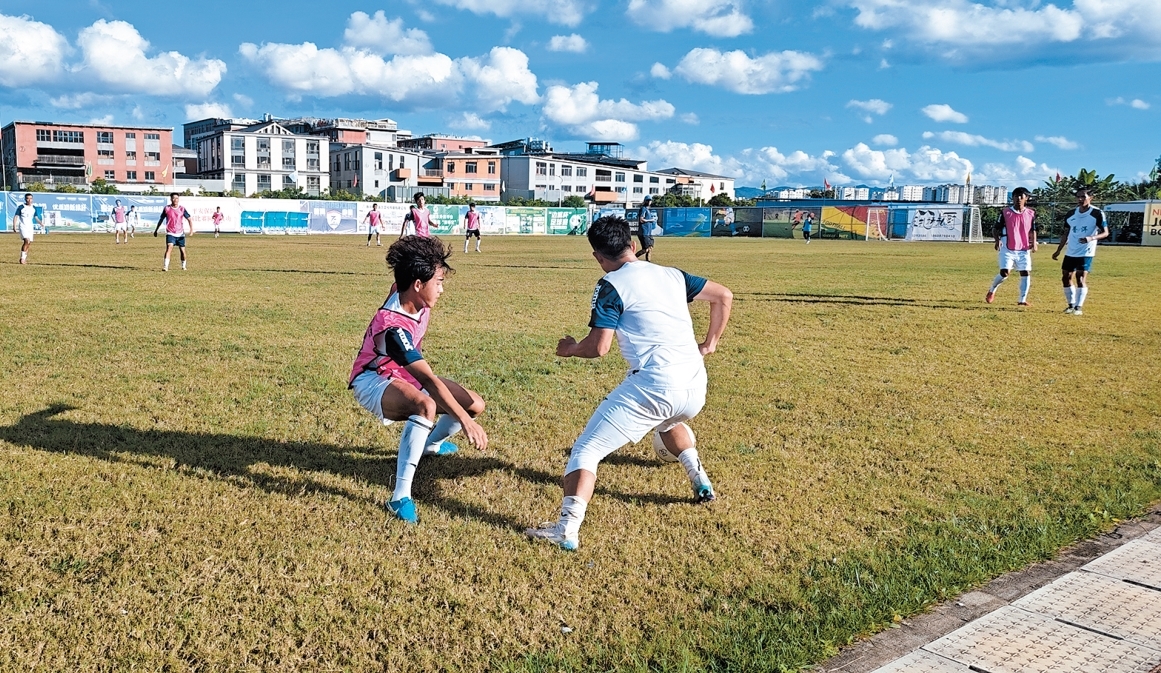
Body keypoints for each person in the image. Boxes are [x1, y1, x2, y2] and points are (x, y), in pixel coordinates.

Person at [525, 215, 734, 551]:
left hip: (655, 385)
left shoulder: (611, 285)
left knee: (587, 450)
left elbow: (599, 347)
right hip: (695, 385)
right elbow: (723, 295)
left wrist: (570, 349)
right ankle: (701, 481)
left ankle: (566, 530)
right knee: (668, 421)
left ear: (598, 257)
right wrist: (709, 344)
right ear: (633, 245)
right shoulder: (671, 274)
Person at [349, 235, 488, 524]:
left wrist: (468, 414)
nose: (442, 289)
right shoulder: (393, 328)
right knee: (426, 405)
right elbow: (429, 380)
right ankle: (399, 497)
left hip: (403, 373)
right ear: (417, 285)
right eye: (438, 282)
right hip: (373, 379)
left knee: (475, 404)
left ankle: (430, 445)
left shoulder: (405, 292)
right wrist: (465, 422)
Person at [1052, 188, 1108, 316]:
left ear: (1091, 198)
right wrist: (1058, 250)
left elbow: (1105, 233)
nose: (1080, 199)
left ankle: (1078, 307)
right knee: (1066, 277)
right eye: (1078, 197)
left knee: (1080, 278)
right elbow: (1066, 233)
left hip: (1086, 251)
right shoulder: (1071, 214)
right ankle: (1071, 305)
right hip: (1071, 251)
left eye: (1083, 196)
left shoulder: (1097, 213)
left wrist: (1091, 238)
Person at [986, 187, 1037, 306]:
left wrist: (1034, 242)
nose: (1018, 199)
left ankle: (1022, 300)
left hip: (1023, 248)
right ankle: (992, 289)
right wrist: (997, 241)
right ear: (1012, 198)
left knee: (1025, 273)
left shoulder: (1031, 213)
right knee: (1005, 273)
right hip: (1007, 247)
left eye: (1021, 196)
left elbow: (1033, 230)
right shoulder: (1005, 212)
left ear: (1026, 198)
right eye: (1015, 196)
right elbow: (995, 229)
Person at [153, 193, 193, 271]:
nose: (175, 200)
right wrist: (156, 230)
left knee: (182, 251)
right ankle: (165, 266)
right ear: (171, 199)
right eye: (174, 198)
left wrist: (191, 230)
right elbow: (161, 219)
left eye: (177, 198)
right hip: (170, 232)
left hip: (180, 234)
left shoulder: (182, 209)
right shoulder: (167, 208)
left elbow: (189, 219)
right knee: (169, 247)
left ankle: (183, 266)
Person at [13, 193, 41, 265]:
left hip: (30, 227)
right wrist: (14, 226)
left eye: (30, 198)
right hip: (23, 226)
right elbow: (16, 216)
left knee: (28, 243)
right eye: (28, 198)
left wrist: (41, 223)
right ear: (25, 199)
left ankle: (24, 258)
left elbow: (36, 217)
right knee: (26, 240)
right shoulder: (21, 207)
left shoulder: (33, 208)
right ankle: (22, 259)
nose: (29, 200)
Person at [635, 195, 657, 261]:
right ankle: (633, 258)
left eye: (650, 200)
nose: (649, 202)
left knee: (650, 248)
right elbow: (641, 220)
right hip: (644, 232)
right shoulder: (643, 209)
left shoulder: (647, 210)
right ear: (645, 201)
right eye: (648, 200)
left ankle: (648, 261)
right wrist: (650, 220)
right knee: (645, 249)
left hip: (648, 233)